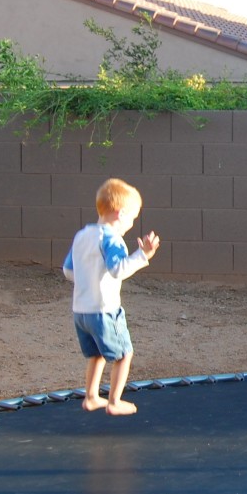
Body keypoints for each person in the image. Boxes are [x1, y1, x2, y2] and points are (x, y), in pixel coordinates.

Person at [63, 178, 160, 416]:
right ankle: (114, 401)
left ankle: (91, 397)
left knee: (96, 355)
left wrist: (89, 280)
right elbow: (118, 269)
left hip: (81, 311)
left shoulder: (82, 235)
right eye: (132, 218)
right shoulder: (112, 239)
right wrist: (143, 255)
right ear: (120, 214)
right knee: (124, 354)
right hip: (104, 310)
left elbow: (68, 271)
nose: (131, 224)